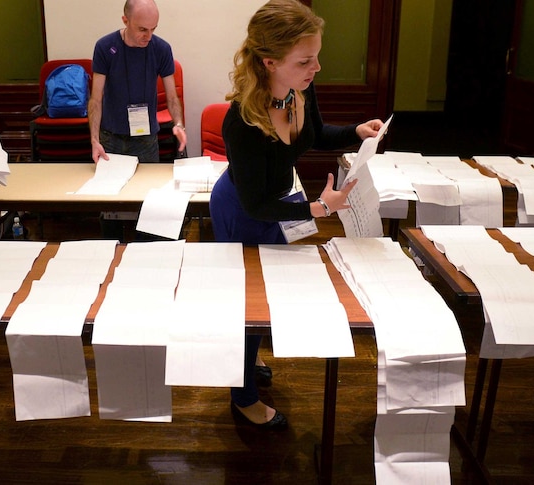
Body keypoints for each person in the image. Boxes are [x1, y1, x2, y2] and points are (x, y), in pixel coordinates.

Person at [210, 0, 384, 428]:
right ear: (269, 62)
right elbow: (256, 205)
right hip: (242, 210)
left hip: (278, 202)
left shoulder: (299, 88)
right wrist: (321, 207)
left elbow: (317, 133)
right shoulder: (242, 122)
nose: (316, 67)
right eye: (305, 60)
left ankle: (247, 365)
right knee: (247, 303)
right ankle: (242, 395)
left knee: (264, 298)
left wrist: (356, 131)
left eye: (317, 56)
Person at [89, 0, 187, 240]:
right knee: (110, 204)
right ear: (125, 21)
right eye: (143, 29)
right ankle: (111, 250)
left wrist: (179, 125)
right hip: (111, 138)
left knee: (149, 202)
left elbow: (173, 96)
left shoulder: (161, 49)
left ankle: (148, 254)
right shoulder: (105, 47)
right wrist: (94, 139)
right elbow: (96, 99)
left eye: (153, 29)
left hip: (145, 138)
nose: (148, 36)